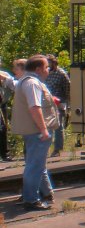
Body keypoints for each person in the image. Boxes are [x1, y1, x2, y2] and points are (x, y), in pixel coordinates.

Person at [11, 55, 59, 211]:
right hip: (36, 131)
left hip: (32, 131)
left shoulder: (25, 81)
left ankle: (45, 193)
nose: (48, 70)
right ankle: (31, 199)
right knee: (35, 166)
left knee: (37, 164)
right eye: (46, 67)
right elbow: (34, 107)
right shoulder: (32, 83)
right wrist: (44, 129)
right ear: (38, 69)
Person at [0, 59, 28, 161]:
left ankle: (5, 153)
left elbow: (13, 84)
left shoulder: (5, 75)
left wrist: (3, 79)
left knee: (3, 129)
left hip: (2, 105)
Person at [43, 54, 69, 157]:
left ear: (54, 63)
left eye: (49, 62)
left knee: (58, 126)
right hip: (46, 102)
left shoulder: (61, 73)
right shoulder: (45, 73)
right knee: (47, 125)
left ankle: (57, 149)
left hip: (59, 102)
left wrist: (66, 102)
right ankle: (45, 149)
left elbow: (67, 87)